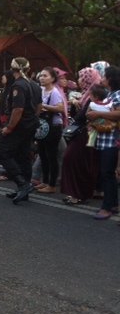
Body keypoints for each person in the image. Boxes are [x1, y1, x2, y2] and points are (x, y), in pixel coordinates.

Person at [0, 57, 42, 204]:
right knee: (23, 156)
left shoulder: (19, 85)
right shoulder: (34, 85)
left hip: (19, 126)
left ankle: (23, 184)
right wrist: (32, 119)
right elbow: (39, 106)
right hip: (30, 125)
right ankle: (24, 190)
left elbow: (18, 109)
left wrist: (9, 127)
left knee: (2, 152)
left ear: (12, 68)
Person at [60, 66, 101, 206]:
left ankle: (78, 194)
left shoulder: (94, 96)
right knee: (76, 162)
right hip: (83, 134)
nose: (79, 80)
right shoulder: (85, 95)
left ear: (87, 80)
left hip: (87, 134)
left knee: (75, 161)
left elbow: (86, 116)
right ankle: (76, 193)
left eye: (81, 77)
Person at [86, 65, 120, 221]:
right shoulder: (111, 94)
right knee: (107, 174)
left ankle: (107, 208)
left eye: (105, 77)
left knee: (107, 173)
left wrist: (97, 113)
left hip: (113, 140)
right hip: (105, 139)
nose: (102, 79)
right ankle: (112, 204)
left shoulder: (117, 95)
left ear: (111, 79)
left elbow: (118, 113)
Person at [34, 67, 65, 194]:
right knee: (42, 154)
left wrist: (44, 106)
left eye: (45, 76)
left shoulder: (55, 92)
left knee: (51, 156)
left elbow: (60, 108)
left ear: (52, 78)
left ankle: (52, 185)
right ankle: (44, 181)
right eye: (41, 75)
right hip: (42, 127)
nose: (42, 78)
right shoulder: (40, 90)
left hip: (53, 127)